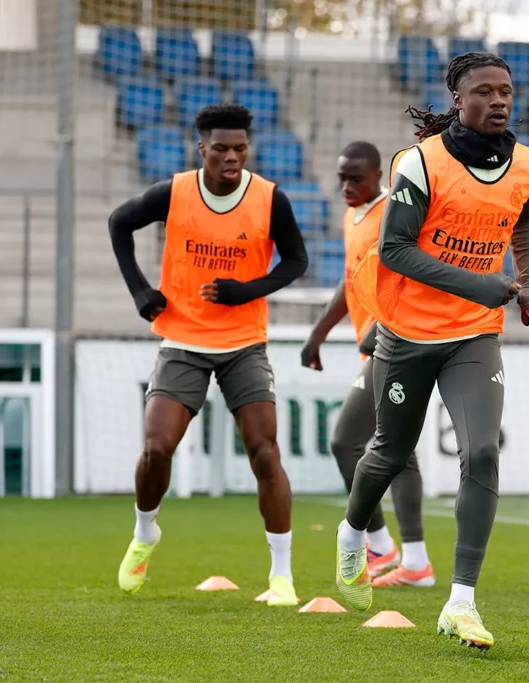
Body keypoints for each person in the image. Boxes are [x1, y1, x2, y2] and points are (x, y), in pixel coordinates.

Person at [334, 52, 529, 651]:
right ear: (459, 100)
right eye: (485, 91)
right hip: (406, 333)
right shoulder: (421, 165)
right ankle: (354, 536)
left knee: (481, 451)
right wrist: (484, 283)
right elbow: (396, 251)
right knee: (389, 451)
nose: (499, 100)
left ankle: (461, 601)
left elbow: (525, 218)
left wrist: (528, 282)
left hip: (475, 334)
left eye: (506, 91)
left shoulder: (526, 163)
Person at [109, 103, 308, 607]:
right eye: (221, 148)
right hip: (182, 341)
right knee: (157, 449)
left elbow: (297, 259)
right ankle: (145, 531)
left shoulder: (268, 199)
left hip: (244, 343)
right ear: (201, 148)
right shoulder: (174, 192)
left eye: (240, 148)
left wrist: (251, 290)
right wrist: (139, 292)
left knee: (265, 451)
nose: (232, 157)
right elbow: (118, 223)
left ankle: (281, 576)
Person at [300, 141, 435, 588]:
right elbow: (351, 280)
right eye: (341, 177)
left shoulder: (390, 214)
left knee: (347, 442)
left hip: (397, 343)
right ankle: (408, 559)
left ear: (380, 174)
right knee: (397, 448)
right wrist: (318, 333)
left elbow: (412, 275)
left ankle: (387, 549)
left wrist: (381, 327)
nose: (345, 186)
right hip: (375, 347)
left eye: (355, 178)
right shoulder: (351, 216)